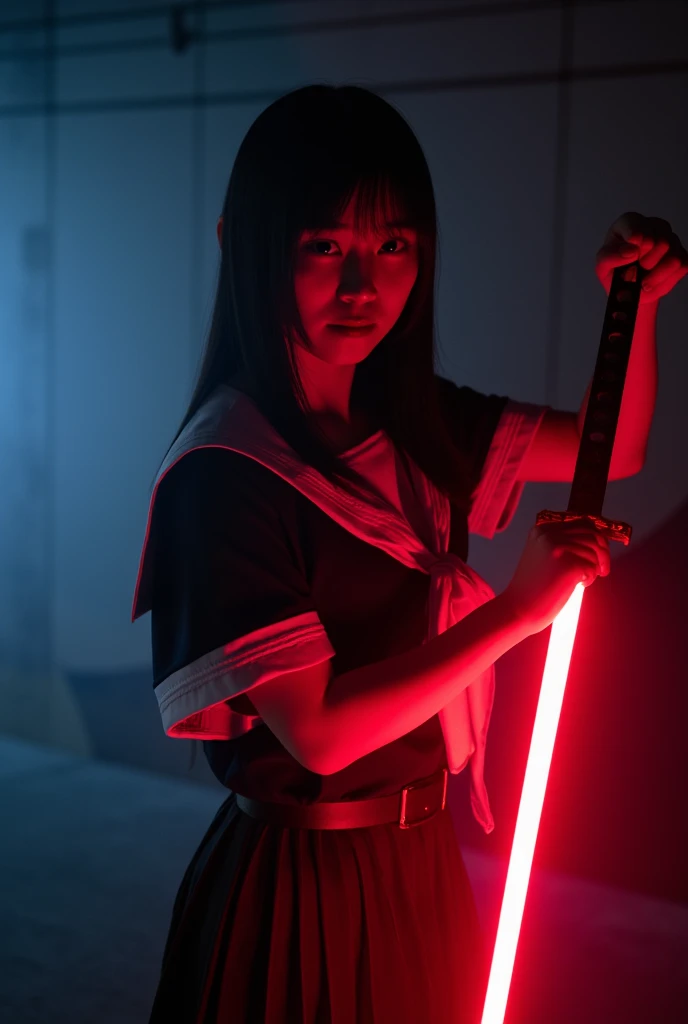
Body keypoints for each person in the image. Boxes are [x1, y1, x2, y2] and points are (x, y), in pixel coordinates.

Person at [131, 85, 615, 1024]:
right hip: (299, 881)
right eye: (324, 246)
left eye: (393, 246)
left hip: (421, 859)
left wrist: (629, 302)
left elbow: (615, 447)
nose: (363, 287)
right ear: (246, 246)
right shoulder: (224, 469)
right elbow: (318, 734)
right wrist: (517, 614)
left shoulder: (410, 418)